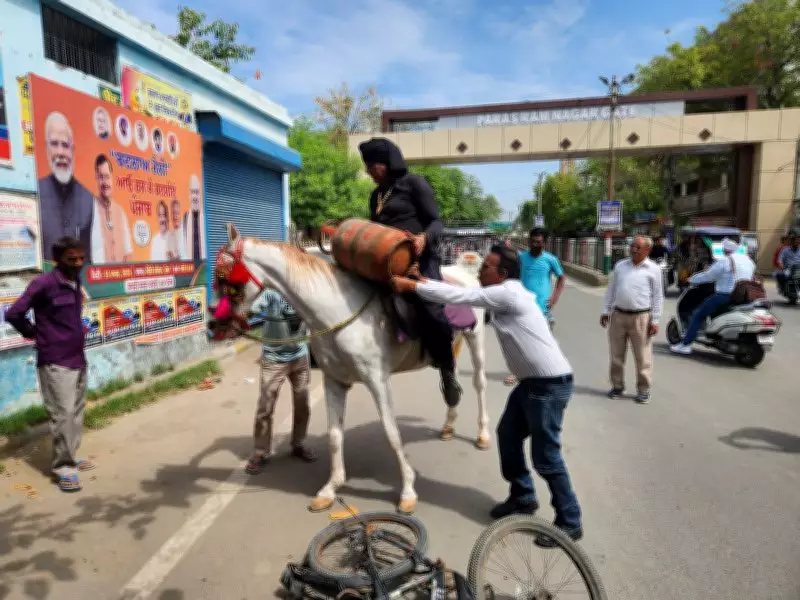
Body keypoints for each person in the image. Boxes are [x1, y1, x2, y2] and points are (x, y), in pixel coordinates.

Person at [391, 245, 582, 544]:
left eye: (485, 267)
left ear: (502, 274)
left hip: (548, 385)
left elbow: (459, 296)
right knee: (508, 435)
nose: (479, 271)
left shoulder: (508, 294)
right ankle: (523, 496)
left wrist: (412, 287)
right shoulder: (507, 292)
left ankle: (570, 521)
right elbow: (456, 291)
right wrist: (422, 281)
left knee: (546, 456)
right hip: (532, 384)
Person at [359, 137, 461, 408]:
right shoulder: (376, 195)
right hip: (387, 261)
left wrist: (423, 239)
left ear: (387, 163)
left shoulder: (414, 184)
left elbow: (437, 222)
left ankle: (447, 368)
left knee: (431, 309)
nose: (369, 171)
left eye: (372, 166)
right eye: (367, 167)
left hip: (420, 260)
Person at [6, 237, 95, 492]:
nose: (78, 263)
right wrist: (35, 333)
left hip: (77, 356)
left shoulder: (75, 281)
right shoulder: (43, 284)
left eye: (81, 258)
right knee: (62, 414)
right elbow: (14, 313)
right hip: (55, 360)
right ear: (57, 260)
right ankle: (63, 469)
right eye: (71, 259)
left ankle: (71, 456)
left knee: (76, 411)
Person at [244, 289, 317, 474]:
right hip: (273, 359)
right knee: (265, 407)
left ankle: (298, 444)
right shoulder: (271, 294)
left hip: (300, 356)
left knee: (302, 404)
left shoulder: (304, 292)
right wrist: (241, 313)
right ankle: (260, 452)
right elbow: (253, 309)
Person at [600, 236, 663, 404]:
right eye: (632, 246)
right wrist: (605, 311)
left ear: (647, 250)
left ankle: (643, 389)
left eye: (638, 247)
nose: (633, 249)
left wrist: (655, 320)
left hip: (642, 317)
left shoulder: (654, 269)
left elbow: (658, 296)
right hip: (618, 316)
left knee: (643, 357)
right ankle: (617, 386)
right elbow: (611, 289)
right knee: (616, 354)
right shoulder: (620, 266)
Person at [670, 238, 755, 355]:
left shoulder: (725, 261)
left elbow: (708, 276)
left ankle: (686, 345)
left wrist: (691, 279)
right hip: (744, 297)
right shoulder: (748, 261)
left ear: (725, 250)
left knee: (698, 315)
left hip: (725, 296)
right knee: (716, 311)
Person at [504, 228, 565, 386]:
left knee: (543, 342)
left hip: (542, 308)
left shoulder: (550, 260)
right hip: (522, 307)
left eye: (538, 242)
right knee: (519, 342)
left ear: (545, 243)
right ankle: (518, 372)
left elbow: (561, 278)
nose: (535, 244)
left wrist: (554, 298)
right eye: (532, 241)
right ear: (528, 241)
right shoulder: (520, 258)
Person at [38, 112, 94, 262]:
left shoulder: (88, 198)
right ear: (46, 149)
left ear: (72, 151)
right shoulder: (36, 193)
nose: (61, 152)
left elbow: (89, 257)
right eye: (54, 144)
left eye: (65, 145)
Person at [90, 154, 133, 264]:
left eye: (107, 177)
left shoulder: (120, 212)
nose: (105, 182)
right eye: (101, 177)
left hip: (119, 273)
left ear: (112, 178)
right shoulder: (90, 209)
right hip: (98, 273)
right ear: (96, 178)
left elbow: (128, 252)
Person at [182, 174, 206, 261]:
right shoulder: (186, 217)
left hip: (204, 264)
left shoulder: (205, 216)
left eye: (197, 192)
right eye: (192, 192)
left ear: (200, 195)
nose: (194, 196)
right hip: (190, 265)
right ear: (189, 195)